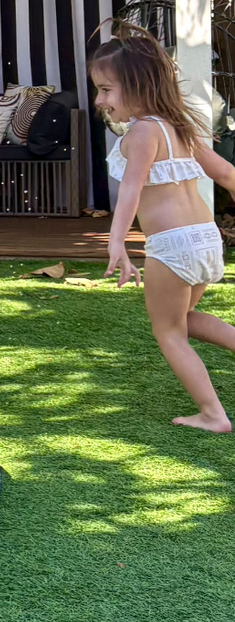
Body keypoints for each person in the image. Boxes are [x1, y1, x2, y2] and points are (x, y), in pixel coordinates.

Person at [91, 24, 235, 434]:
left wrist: (117, 242)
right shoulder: (179, 126)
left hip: (172, 246)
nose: (99, 100)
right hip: (206, 239)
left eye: (106, 90)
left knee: (169, 332)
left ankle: (213, 414)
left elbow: (131, 190)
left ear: (138, 86)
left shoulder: (142, 132)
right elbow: (227, 174)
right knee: (183, 318)